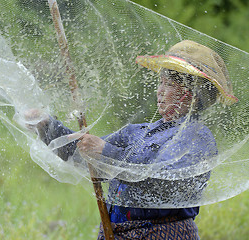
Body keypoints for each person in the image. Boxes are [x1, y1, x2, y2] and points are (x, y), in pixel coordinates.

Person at [25, 40, 237, 239]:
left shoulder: (196, 138)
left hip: (164, 233)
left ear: (190, 94)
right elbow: (81, 154)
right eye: (160, 82)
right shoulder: (136, 132)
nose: (159, 92)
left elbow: (167, 181)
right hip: (120, 232)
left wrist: (107, 152)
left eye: (168, 84)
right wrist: (47, 126)